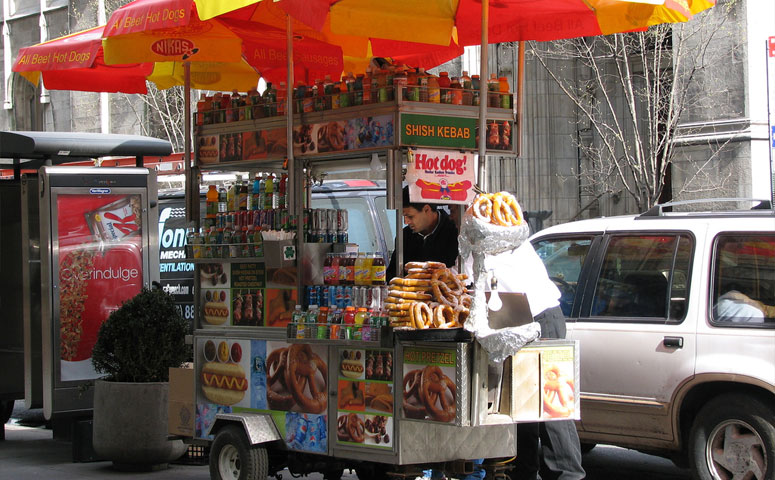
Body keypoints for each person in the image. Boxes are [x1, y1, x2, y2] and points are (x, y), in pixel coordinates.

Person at [480, 242, 586, 480]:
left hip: (541, 316)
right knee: (520, 404)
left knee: (550, 405)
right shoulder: (477, 241)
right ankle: (525, 473)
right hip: (514, 318)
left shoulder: (500, 235)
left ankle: (567, 474)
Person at [387, 185, 459, 279]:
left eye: (410, 216)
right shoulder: (404, 236)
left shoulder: (455, 233)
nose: (406, 222)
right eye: (403, 217)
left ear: (426, 209)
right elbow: (392, 274)